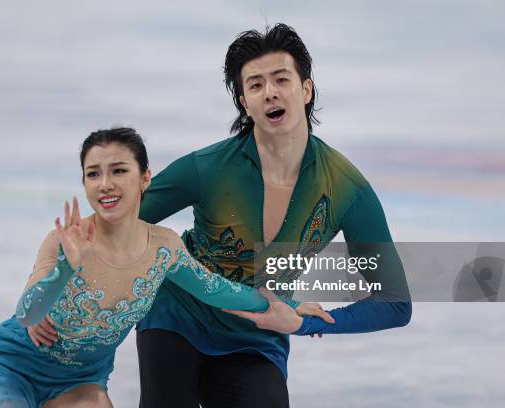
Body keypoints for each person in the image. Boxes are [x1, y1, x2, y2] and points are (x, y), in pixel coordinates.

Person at [29, 24, 412, 407]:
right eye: (256, 85)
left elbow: (396, 302)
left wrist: (303, 321)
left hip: (257, 334)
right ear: (244, 101)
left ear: (306, 89)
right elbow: (104, 227)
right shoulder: (207, 169)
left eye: (281, 79)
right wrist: (45, 291)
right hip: (178, 316)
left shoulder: (346, 189)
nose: (271, 93)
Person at [0, 127, 333, 408]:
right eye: (93, 174)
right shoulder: (65, 240)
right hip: (12, 366)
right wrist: (67, 271)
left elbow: (218, 290)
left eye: (118, 170)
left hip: (80, 381)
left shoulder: (164, 249)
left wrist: (286, 306)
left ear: (144, 179)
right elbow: (28, 313)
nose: (105, 183)